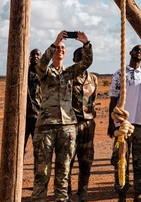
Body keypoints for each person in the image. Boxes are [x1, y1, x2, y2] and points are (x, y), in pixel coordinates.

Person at [33, 31, 93, 202]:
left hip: (67, 127)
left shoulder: (68, 73)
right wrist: (55, 42)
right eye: (58, 48)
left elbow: (87, 62)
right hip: (46, 127)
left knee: (63, 172)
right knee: (42, 172)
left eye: (62, 48)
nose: (60, 50)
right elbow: (41, 64)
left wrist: (86, 43)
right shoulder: (44, 72)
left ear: (66, 53)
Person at [109, 44, 141, 202]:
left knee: (140, 160)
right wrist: (111, 122)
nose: (139, 53)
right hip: (122, 124)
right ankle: (121, 193)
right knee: (121, 159)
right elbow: (113, 99)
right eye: (137, 50)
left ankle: (139, 193)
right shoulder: (119, 74)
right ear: (130, 52)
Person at [69, 44, 98, 202]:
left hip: (88, 125)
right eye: (78, 55)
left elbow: (93, 101)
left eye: (84, 55)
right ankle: (66, 194)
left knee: (86, 162)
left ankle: (83, 194)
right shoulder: (67, 76)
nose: (81, 57)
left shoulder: (93, 78)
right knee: (67, 162)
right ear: (74, 59)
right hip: (71, 125)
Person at [26, 48, 42, 150]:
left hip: (38, 115)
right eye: (33, 54)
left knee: (39, 148)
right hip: (25, 116)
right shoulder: (25, 73)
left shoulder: (43, 74)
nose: (35, 56)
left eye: (38, 54)